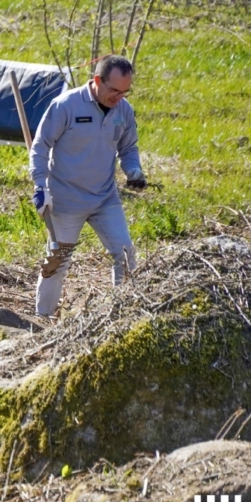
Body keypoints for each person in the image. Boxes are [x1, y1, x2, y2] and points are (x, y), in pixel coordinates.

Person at [28, 54, 147, 318]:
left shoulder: (123, 110)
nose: (119, 97)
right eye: (114, 90)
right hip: (65, 201)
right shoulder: (66, 106)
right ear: (96, 81)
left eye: (125, 91)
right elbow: (40, 146)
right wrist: (40, 186)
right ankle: (42, 321)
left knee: (125, 253)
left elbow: (128, 147)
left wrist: (133, 169)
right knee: (57, 263)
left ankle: (122, 316)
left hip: (105, 198)